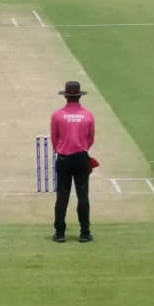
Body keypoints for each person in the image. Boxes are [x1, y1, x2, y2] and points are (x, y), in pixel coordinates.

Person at [50, 81, 96, 243]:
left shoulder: (57, 115)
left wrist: (62, 150)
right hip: (82, 157)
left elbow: (54, 139)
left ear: (66, 97)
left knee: (62, 196)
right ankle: (84, 233)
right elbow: (91, 138)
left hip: (63, 158)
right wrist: (82, 149)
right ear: (78, 96)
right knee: (83, 196)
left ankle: (60, 233)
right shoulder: (88, 115)